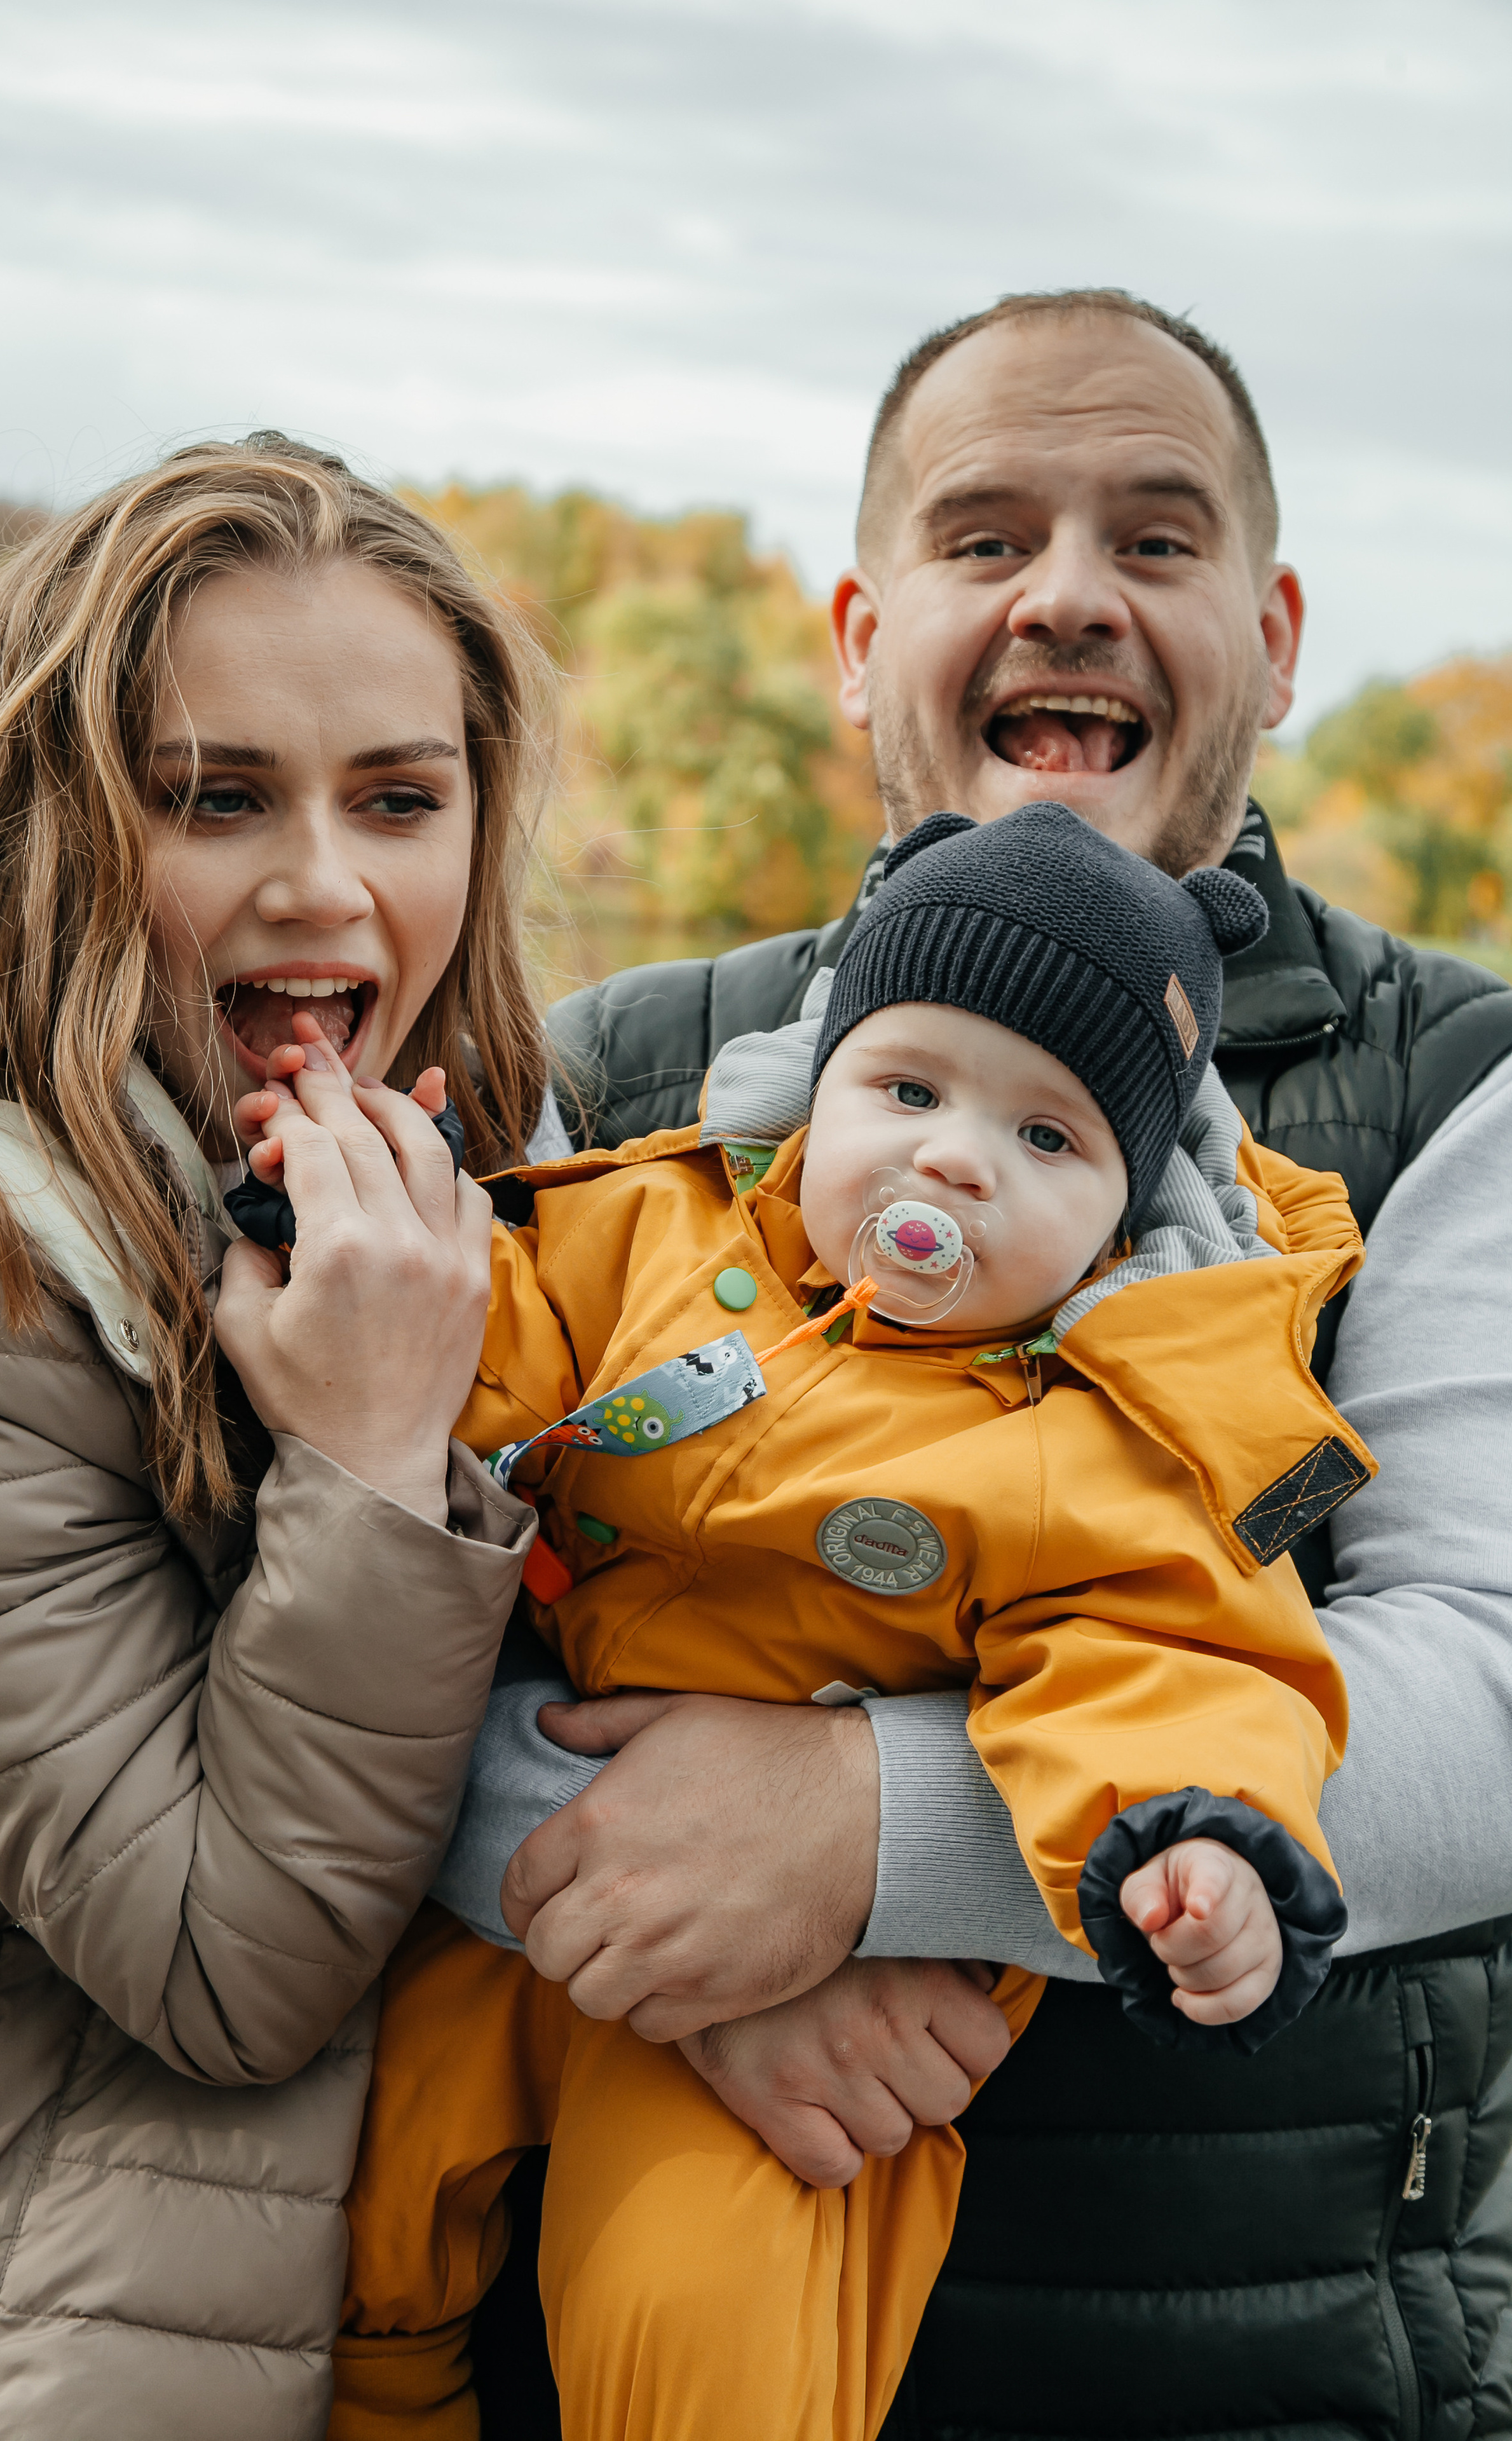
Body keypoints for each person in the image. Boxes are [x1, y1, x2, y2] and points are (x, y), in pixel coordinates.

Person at [456, 292, 1512, 2438]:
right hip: (633, 2277)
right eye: (984, 537)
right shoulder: (617, 1078)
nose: (1067, 597)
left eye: (1154, 538)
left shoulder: (1455, 1091)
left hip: (1281, 2355)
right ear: (861, 634)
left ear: (1277, 634)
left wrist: (866, 1834)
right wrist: (623, 1908)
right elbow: (386, 1586)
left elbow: (1489, 1679)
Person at [325, 799, 1368, 2440]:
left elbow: (1174, 1659)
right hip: (512, 1899)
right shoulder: (662, 1228)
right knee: (360, 2214)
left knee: (700, 2319)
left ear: (1125, 1212)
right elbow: (501, 1336)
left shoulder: (1085, 1442)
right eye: (908, 1090)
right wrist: (387, 1240)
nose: (954, 1156)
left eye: (1049, 1140)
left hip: (807, 1986)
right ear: (821, 1090)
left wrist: (1201, 1836)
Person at [0, 437, 566, 2441]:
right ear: (56, 821)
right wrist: (367, 1460)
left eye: (398, 801)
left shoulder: (440, 1201)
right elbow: (221, 1961)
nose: (325, 885)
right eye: (216, 799)